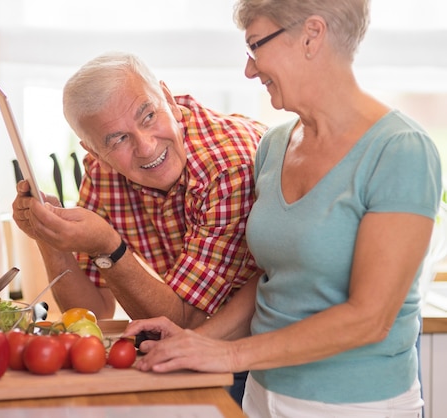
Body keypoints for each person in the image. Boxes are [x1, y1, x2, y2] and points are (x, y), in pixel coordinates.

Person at [123, 1, 442, 417]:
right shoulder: (274, 145)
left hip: (357, 406)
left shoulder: (400, 150)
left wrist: (232, 356)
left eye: (256, 45)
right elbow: (275, 280)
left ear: (311, 35)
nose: (249, 70)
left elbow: (369, 319)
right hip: (263, 395)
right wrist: (199, 340)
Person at [12, 51, 266, 403]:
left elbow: (187, 322)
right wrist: (50, 237)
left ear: (169, 99)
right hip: (203, 343)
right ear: (95, 151)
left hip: (258, 352)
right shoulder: (103, 173)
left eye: (148, 115)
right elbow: (92, 309)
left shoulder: (227, 168)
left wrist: (108, 247)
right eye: (117, 140)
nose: (146, 147)